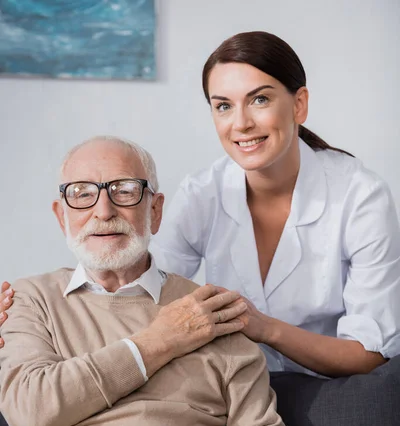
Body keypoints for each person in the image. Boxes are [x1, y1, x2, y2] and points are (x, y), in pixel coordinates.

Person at [0, 136, 304, 426]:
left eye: (124, 190)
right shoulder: (30, 299)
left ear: (155, 210)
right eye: (82, 193)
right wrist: (160, 340)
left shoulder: (215, 312)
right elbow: (33, 408)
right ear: (62, 214)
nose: (103, 210)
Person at [2, 31, 399, 378]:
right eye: (223, 105)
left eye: (259, 99)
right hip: (229, 388)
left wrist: (264, 328)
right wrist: (26, 319)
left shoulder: (360, 197)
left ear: (299, 105)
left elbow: (370, 354)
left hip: (333, 391)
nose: (240, 123)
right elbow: (142, 291)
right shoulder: (204, 192)